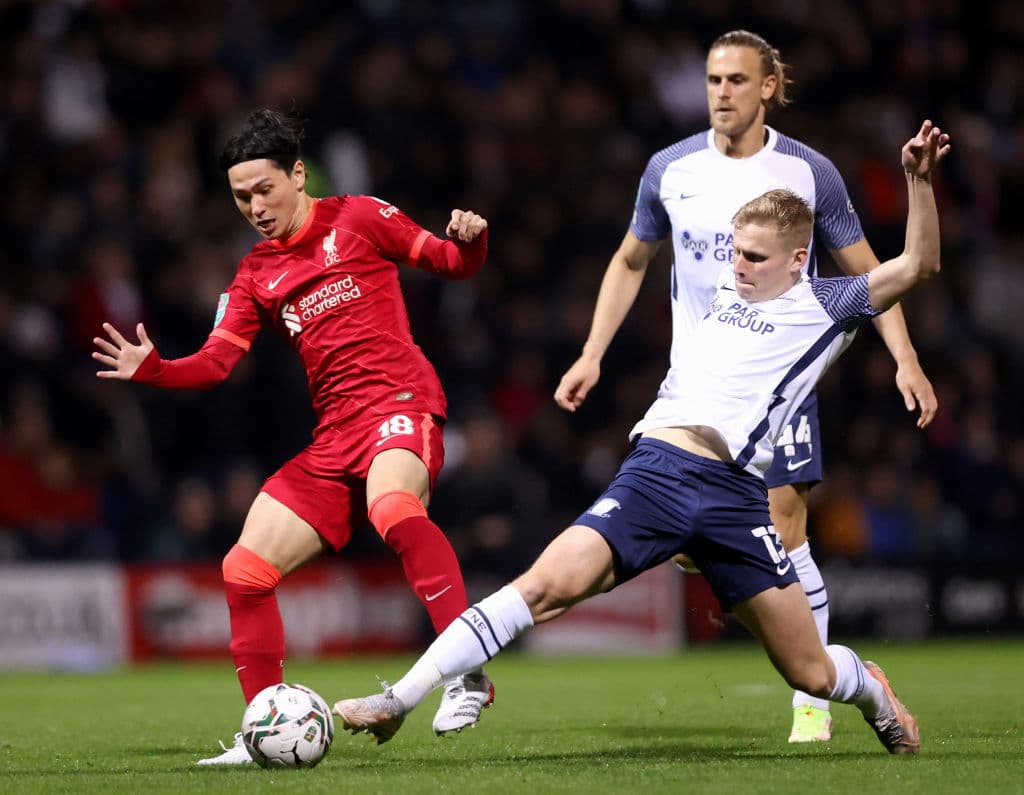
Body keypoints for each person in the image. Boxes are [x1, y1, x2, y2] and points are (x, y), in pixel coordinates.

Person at [332, 120, 949, 756]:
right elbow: (634, 256)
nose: (736, 266)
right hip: (654, 474)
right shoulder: (722, 292)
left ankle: (871, 689)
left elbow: (918, 265)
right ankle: (398, 698)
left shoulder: (825, 304)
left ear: (798, 260)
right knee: (545, 586)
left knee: (811, 672)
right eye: (734, 250)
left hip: (736, 497)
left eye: (755, 257)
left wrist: (917, 181)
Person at [552, 29, 937, 744]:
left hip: (774, 378)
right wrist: (592, 351)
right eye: (712, 79)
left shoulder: (809, 172)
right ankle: (817, 662)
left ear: (768, 86)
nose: (721, 92)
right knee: (701, 545)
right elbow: (631, 260)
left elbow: (870, 270)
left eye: (735, 80)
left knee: (787, 532)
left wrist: (903, 358)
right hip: (693, 390)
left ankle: (814, 702)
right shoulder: (670, 168)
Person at [92, 108, 495, 764]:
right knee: (243, 569)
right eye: (239, 196)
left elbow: (451, 261)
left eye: (263, 189)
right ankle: (263, 730)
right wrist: (156, 368)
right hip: (335, 434)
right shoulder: (254, 274)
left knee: (393, 508)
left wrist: (471, 240)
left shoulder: (359, 217)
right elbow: (217, 361)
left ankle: (467, 671)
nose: (253, 205)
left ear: (297, 174)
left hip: (399, 403)